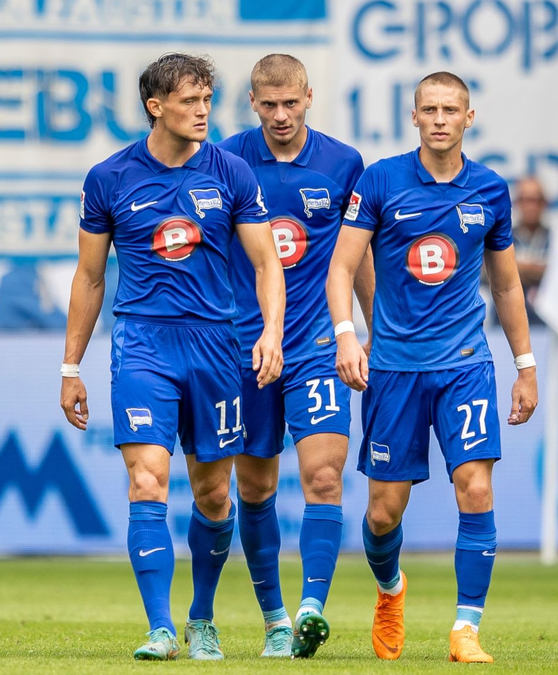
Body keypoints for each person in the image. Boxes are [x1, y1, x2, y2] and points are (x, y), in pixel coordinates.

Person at [60, 53, 284, 661]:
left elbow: (267, 263)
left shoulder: (232, 173)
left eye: (208, 100)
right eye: (190, 101)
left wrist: (270, 333)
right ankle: (159, 628)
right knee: (147, 479)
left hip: (217, 344)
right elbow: (88, 278)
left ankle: (200, 616)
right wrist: (70, 367)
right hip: (142, 344)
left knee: (214, 495)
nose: (203, 111)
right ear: (156, 107)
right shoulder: (108, 178)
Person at [326, 71, 538, 664]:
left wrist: (525, 365)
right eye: (430, 109)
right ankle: (391, 591)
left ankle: (465, 629)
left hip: (465, 365)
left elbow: (506, 286)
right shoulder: (381, 181)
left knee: (475, 488)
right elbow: (342, 268)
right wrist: (348, 336)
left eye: (451, 109)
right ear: (413, 116)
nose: (440, 118)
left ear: (469, 119)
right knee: (382, 510)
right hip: (393, 369)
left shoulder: (491, 190)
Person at [216, 54, 367, 659]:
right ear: (252, 102)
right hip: (243, 349)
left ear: (309, 96)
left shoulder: (343, 163)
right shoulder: (223, 159)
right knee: (254, 490)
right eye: (269, 105)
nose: (281, 116)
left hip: (317, 346)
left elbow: (358, 257)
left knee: (324, 477)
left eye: (292, 103)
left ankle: (311, 608)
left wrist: (365, 333)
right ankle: (275, 615)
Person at [512, 177, 549, 324]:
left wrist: (516, 269)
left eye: (536, 200)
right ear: (517, 203)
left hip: (550, 325)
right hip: (505, 328)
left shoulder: (554, 237)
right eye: (525, 199)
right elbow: (490, 273)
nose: (531, 206)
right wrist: (542, 270)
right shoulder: (503, 238)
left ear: (544, 203)